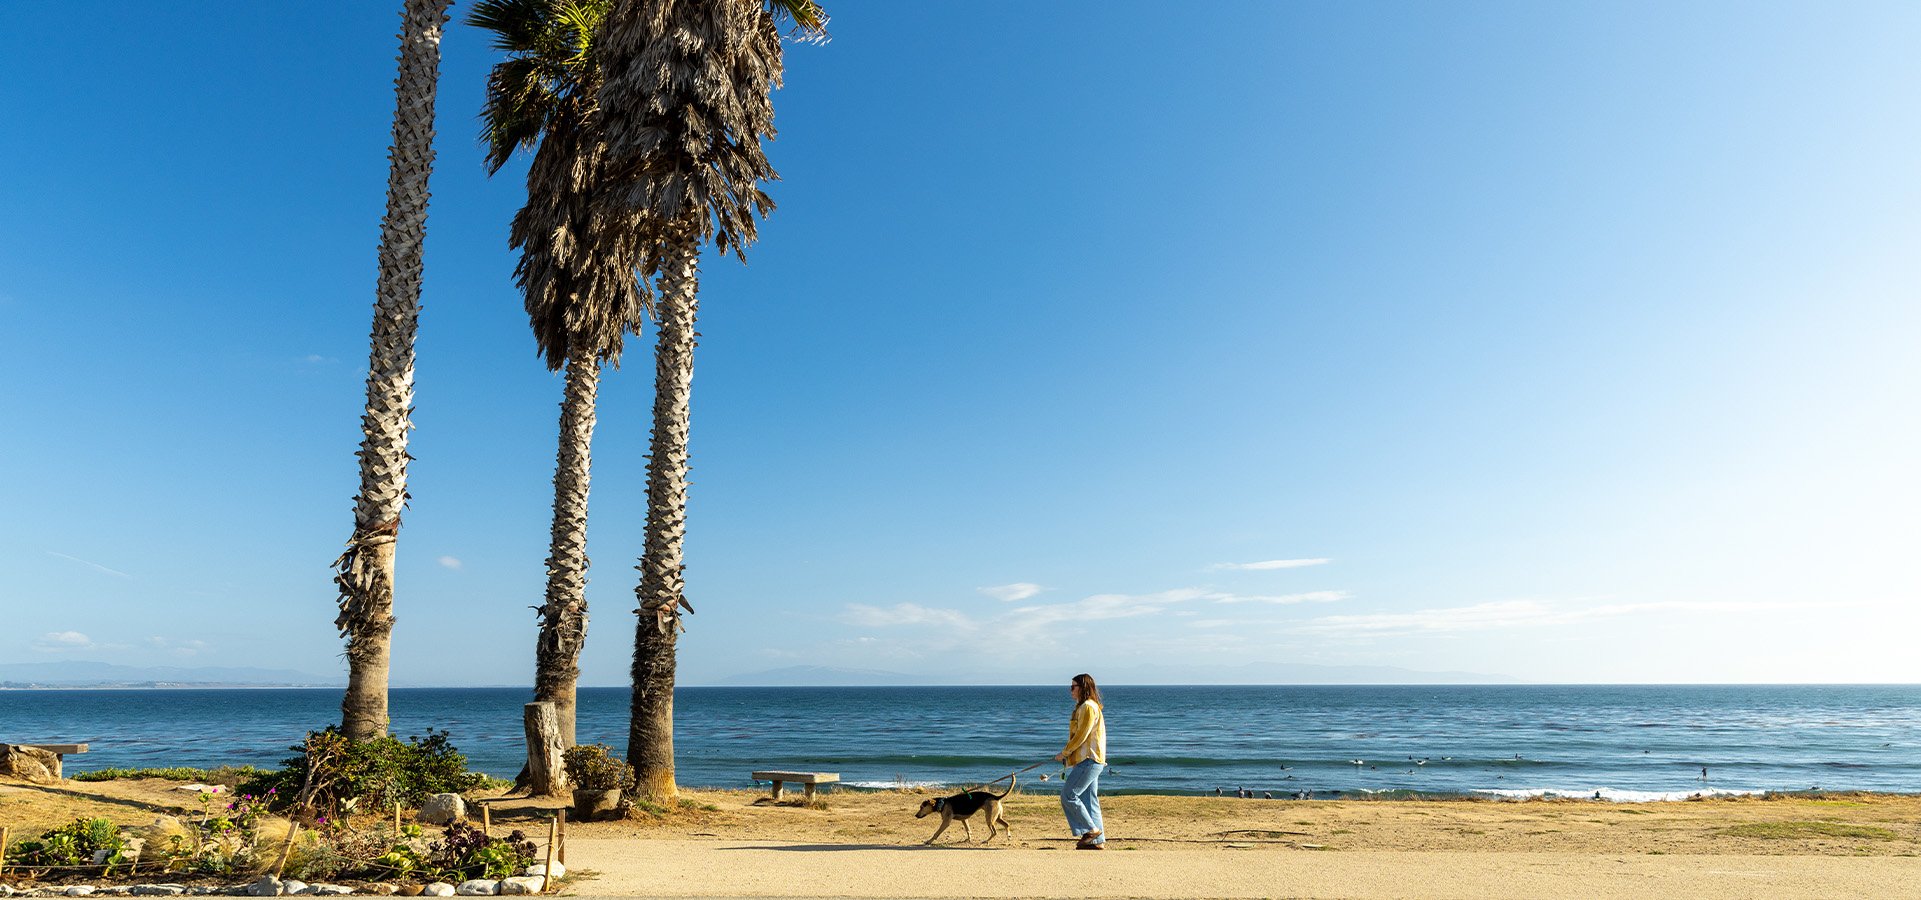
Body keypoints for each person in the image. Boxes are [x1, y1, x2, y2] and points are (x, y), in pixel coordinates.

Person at [1053, 672, 1107, 850]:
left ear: (1082, 688)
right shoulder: (1084, 707)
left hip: (1089, 759)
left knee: (1068, 795)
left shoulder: (1088, 707)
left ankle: (1091, 830)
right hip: (1091, 760)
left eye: (1073, 686)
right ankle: (1097, 841)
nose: (1070, 690)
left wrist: (1065, 752)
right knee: (1089, 800)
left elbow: (1081, 736)